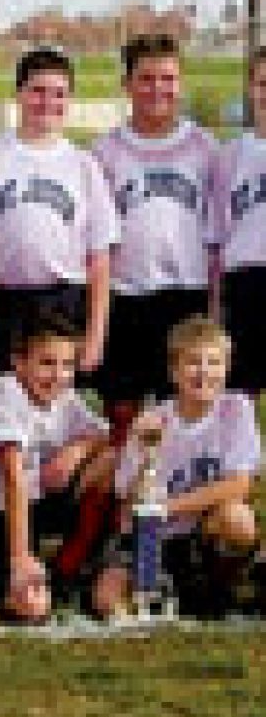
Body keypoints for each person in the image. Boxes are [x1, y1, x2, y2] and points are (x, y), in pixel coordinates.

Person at [0, 47, 117, 396]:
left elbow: (99, 255)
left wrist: (96, 332)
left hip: (63, 300)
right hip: (1, 302)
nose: (47, 101)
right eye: (37, 90)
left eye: (59, 93)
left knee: (58, 411)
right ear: (19, 94)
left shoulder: (84, 165)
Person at [92, 34, 218, 438]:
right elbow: (95, 239)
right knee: (123, 415)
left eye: (168, 79)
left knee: (184, 412)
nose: (158, 89)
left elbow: (218, 237)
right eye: (146, 79)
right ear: (127, 85)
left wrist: (216, 305)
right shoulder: (104, 151)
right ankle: (125, 497)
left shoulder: (206, 148)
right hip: (126, 297)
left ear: (180, 83)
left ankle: (182, 498)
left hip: (187, 295)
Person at [94, 316, 261, 619]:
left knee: (238, 518)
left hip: (199, 533)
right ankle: (145, 599)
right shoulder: (151, 421)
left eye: (214, 363)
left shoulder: (237, 408)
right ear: (174, 372)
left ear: (226, 369)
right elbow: (128, 504)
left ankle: (218, 588)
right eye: (193, 362)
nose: (204, 372)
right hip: (149, 537)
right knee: (106, 598)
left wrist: (168, 507)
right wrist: (144, 452)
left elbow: (239, 485)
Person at [0, 312, 111, 621]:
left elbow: (103, 435)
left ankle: (70, 567)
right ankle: (11, 580)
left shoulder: (64, 396)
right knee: (32, 607)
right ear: (19, 362)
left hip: (37, 503)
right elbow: (12, 477)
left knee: (110, 462)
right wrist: (20, 557)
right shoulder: (5, 393)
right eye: (47, 363)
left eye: (67, 365)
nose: (58, 375)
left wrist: (75, 450)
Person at [212, 45, 266, 397]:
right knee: (239, 401)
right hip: (245, 285)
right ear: (250, 88)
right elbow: (217, 238)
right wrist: (216, 309)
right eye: (263, 83)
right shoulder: (230, 155)